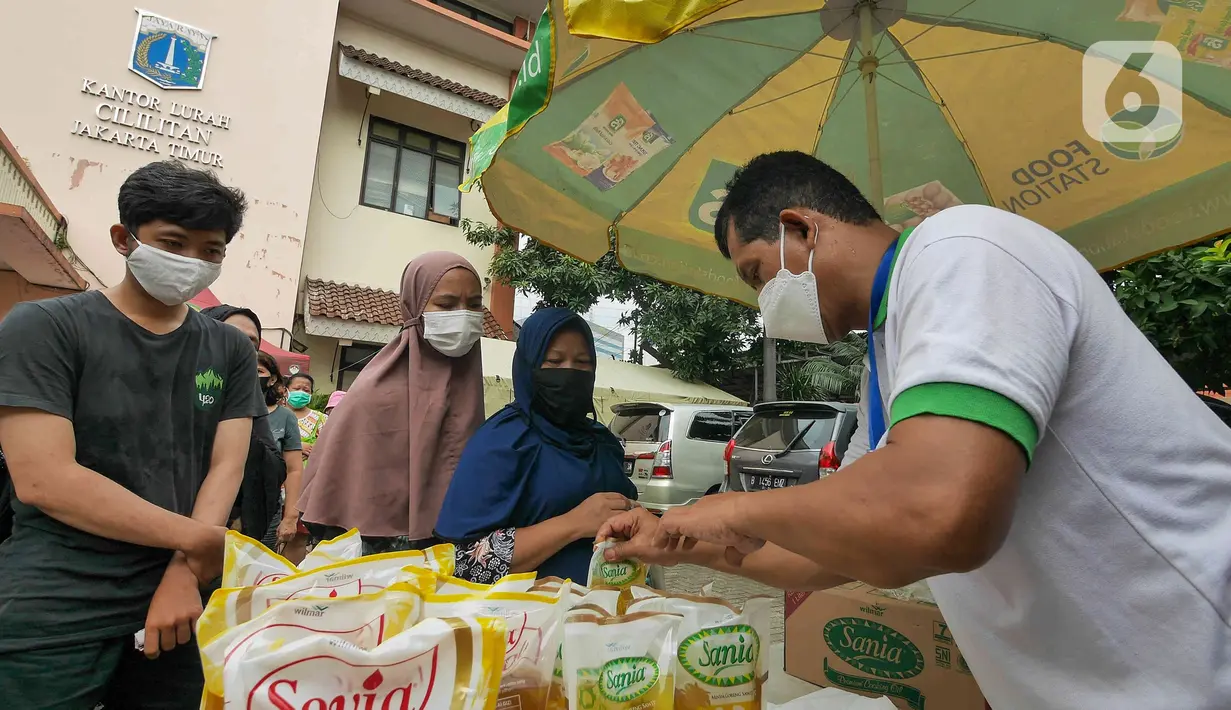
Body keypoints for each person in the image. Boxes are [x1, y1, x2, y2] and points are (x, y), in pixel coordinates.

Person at [599, 151, 1231, 710]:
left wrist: (738, 507)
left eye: (758, 274)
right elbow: (840, 546)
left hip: (1193, 669)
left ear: (799, 228)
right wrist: (680, 538)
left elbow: (935, 511)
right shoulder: (891, 348)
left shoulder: (963, 250)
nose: (764, 302)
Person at [0, 160, 262, 707]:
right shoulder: (45, 328)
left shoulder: (231, 348)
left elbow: (226, 466)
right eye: (173, 242)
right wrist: (199, 543)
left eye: (210, 250)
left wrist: (184, 572)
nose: (192, 262)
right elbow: (45, 481)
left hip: (182, 598)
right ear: (124, 238)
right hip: (60, 593)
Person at [298, 252, 486, 555]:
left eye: (474, 305)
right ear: (414, 306)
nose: (463, 316)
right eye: (447, 305)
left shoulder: (469, 391)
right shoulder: (372, 396)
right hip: (378, 568)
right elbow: (335, 506)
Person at [436, 308, 636, 583]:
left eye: (582, 362)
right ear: (528, 366)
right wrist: (574, 524)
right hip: (531, 618)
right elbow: (465, 561)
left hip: (615, 610)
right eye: (554, 361)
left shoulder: (603, 442)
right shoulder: (502, 442)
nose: (570, 372)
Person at [201, 304, 286, 548]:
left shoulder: (250, 400)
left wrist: (239, 436)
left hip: (229, 533)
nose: (241, 346)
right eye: (231, 335)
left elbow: (275, 467)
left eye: (251, 341)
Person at [255, 352, 304, 558]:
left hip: (266, 508)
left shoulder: (285, 417)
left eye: (258, 371)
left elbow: (293, 469)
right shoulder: (223, 409)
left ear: (272, 378)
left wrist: (290, 516)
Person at [286, 373, 326, 461]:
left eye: (306, 390)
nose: (301, 392)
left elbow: (329, 446)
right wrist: (296, 446)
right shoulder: (274, 415)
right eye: (296, 389)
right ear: (286, 391)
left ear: (311, 394)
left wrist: (314, 451)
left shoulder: (321, 419)